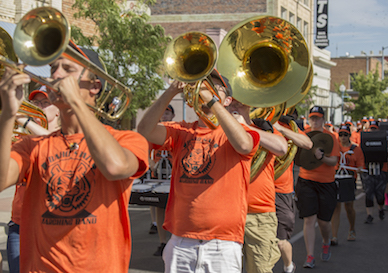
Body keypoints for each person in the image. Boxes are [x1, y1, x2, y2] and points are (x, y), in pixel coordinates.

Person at [0, 44, 149, 272]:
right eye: (53, 68)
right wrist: (9, 114)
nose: (56, 75)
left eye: (67, 69)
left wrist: (76, 103)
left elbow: (115, 166)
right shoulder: (33, 145)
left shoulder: (126, 139)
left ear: (95, 86)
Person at [137, 69, 260, 273]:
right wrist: (171, 90)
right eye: (202, 84)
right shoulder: (181, 130)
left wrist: (212, 102)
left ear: (228, 100)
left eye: (214, 86)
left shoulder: (240, 131)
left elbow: (245, 146)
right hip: (181, 241)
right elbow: (144, 131)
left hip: (223, 243)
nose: (206, 88)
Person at [227, 99, 288, 273]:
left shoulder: (264, 130)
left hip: (260, 214)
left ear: (250, 102)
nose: (235, 104)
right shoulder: (220, 129)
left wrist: (246, 128)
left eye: (241, 100)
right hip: (226, 213)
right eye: (232, 99)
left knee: (260, 269)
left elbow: (282, 148)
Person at [6, 87, 61, 273]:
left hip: (52, 225)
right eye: (36, 103)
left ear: (58, 109)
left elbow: (54, 144)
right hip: (19, 223)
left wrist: (23, 119)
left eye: (45, 103)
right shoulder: (22, 139)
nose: (38, 107)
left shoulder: (66, 136)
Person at [295, 106, 340, 269]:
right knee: (309, 219)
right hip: (306, 180)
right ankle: (310, 256)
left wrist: (322, 157)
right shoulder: (303, 135)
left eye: (318, 118)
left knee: (324, 223)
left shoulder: (331, 137)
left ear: (323, 119)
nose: (315, 121)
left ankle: (326, 241)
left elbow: (334, 161)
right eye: (312, 118)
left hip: (326, 183)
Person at [272, 115, 313, 273]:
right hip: (256, 189)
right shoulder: (251, 120)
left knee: (281, 241)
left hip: (281, 190)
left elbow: (308, 143)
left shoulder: (286, 125)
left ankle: (288, 266)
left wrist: (279, 128)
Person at [330, 125, 365, 245]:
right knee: (335, 206)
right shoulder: (335, 148)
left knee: (349, 206)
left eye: (345, 135)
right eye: (341, 135)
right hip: (336, 178)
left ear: (349, 136)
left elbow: (360, 164)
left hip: (349, 179)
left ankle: (352, 228)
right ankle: (334, 236)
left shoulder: (356, 149)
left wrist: (359, 169)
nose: (343, 137)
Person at [150, 104, 175, 256]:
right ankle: (162, 242)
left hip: (174, 175)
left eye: (168, 112)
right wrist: (152, 164)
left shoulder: (177, 129)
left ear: (172, 116)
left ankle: (174, 239)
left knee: (175, 209)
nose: (165, 115)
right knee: (160, 208)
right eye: (163, 111)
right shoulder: (154, 131)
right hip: (159, 174)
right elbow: (146, 150)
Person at [361, 120, 388, 224]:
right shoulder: (364, 141)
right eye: (372, 128)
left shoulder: (384, 142)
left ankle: (380, 208)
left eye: (375, 128)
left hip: (381, 171)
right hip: (368, 171)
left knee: (380, 194)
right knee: (368, 193)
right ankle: (369, 215)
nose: (373, 130)